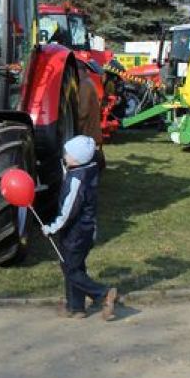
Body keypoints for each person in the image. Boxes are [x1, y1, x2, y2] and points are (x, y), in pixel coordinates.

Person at [42, 134, 118, 321]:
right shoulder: (88, 170)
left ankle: (103, 293)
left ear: (76, 158)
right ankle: (76, 307)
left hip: (77, 232)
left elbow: (69, 210)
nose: (65, 156)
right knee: (76, 267)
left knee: (70, 270)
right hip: (86, 231)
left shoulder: (77, 180)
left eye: (67, 154)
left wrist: (52, 228)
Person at [77, 61, 105, 169]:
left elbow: (82, 112)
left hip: (88, 136)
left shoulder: (84, 85)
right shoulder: (89, 82)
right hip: (93, 135)